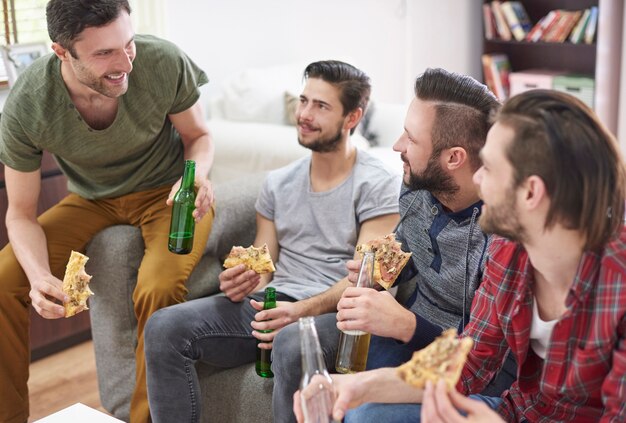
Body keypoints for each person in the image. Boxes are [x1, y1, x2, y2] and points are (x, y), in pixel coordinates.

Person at [298, 89, 626, 423]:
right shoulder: (509, 250)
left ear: (531, 192)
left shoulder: (617, 282)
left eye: (490, 168)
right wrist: (358, 386)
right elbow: (468, 364)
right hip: (518, 413)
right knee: (367, 414)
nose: (478, 178)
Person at [143, 60, 401, 422]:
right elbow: (264, 265)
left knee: (293, 342)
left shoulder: (377, 184)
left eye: (321, 106)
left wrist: (301, 311)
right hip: (276, 305)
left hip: (337, 315)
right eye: (304, 100)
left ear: (352, 118)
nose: (305, 114)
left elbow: (367, 280)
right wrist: (244, 278)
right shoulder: (278, 183)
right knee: (164, 326)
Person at [0, 1, 215, 422]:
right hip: (91, 198)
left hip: (167, 193)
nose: (125, 64)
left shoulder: (162, 61)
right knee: (5, 276)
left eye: (128, 44)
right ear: (62, 52)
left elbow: (199, 135)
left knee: (158, 287)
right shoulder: (28, 104)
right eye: (104, 54)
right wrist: (40, 275)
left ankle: (141, 419)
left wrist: (197, 177)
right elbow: (20, 214)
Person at [271, 67, 513, 422]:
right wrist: (377, 273)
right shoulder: (416, 185)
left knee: (365, 414)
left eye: (411, 139)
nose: (397, 146)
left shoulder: (499, 233)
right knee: (291, 343)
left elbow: (484, 357)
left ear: (454, 158)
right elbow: (407, 250)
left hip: (464, 361)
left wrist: (407, 324)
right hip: (403, 332)